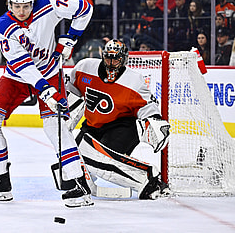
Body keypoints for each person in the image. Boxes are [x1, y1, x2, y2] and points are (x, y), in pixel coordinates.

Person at [0, 0, 94, 208]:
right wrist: (45, 89)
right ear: (8, 4)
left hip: (49, 71)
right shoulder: (4, 25)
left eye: (26, 6)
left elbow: (85, 9)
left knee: (55, 126)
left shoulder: (48, 4)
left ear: (33, 2)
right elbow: (23, 64)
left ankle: (78, 183)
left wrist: (71, 37)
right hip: (18, 76)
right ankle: (1, 182)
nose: (21, 11)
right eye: (16, 6)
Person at [66, 39, 171, 200]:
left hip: (122, 128)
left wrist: (155, 120)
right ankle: (84, 180)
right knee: (72, 159)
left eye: (116, 59)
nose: (112, 63)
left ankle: (148, 178)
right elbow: (71, 93)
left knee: (100, 160)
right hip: (92, 126)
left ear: (124, 59)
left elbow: (147, 105)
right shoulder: (84, 68)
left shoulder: (133, 80)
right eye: (108, 58)